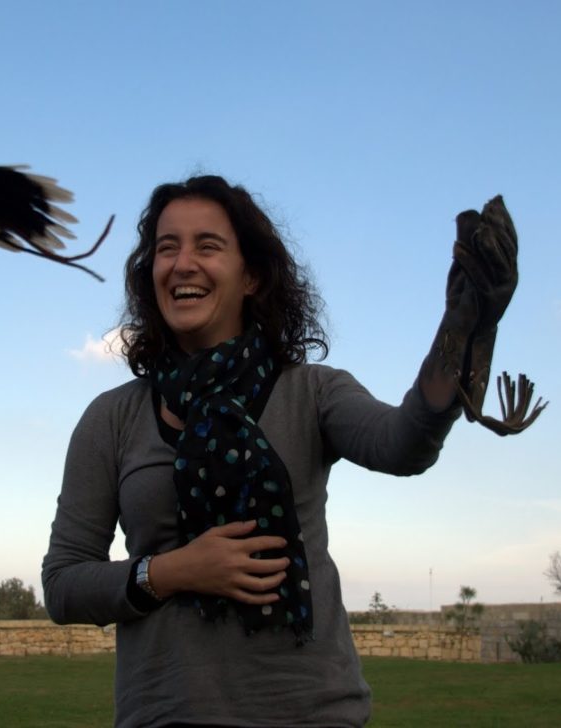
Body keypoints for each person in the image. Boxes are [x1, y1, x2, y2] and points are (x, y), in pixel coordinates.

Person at [42, 175, 520, 727]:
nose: (183, 263)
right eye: (166, 248)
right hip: (168, 714)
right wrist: (173, 571)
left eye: (208, 245)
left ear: (251, 276)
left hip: (314, 712)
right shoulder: (113, 418)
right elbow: (64, 584)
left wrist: (461, 328)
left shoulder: (312, 392)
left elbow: (405, 444)